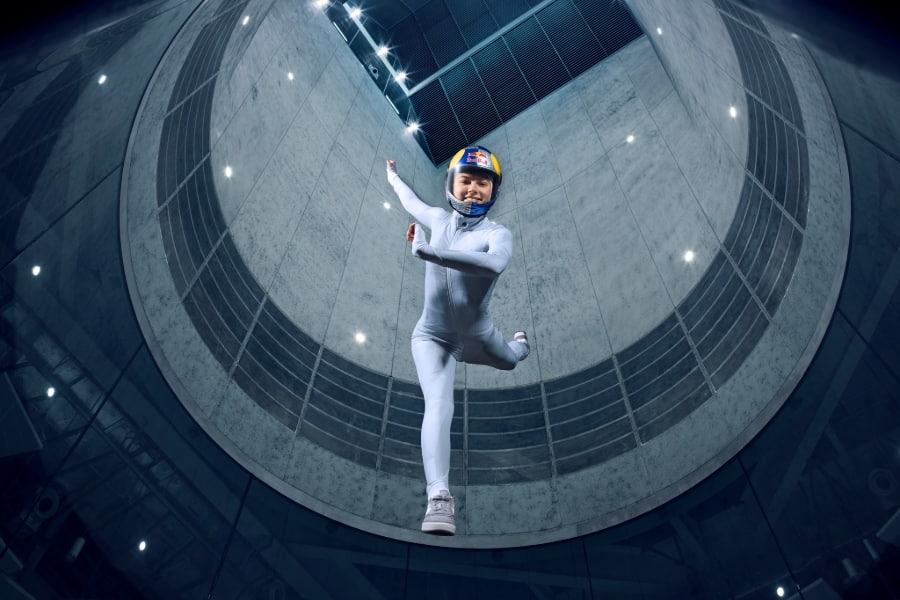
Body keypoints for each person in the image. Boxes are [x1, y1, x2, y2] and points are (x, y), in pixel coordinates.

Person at [386, 146, 530, 535]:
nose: (473, 189)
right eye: (466, 180)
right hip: (433, 337)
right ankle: (439, 498)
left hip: (480, 337)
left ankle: (521, 344)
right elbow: (408, 199)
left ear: (492, 192)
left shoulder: (497, 233)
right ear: (451, 184)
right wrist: (393, 176)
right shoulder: (436, 219)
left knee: (511, 360)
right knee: (439, 404)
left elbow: (494, 263)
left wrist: (431, 253)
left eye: (482, 183)